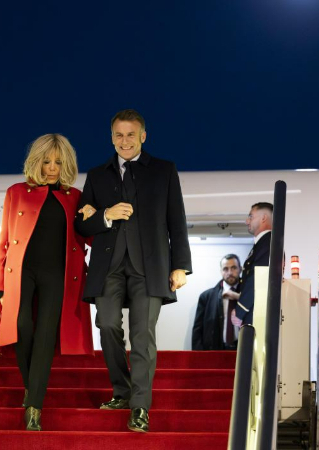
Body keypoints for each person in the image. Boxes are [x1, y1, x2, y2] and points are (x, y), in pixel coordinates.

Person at [75, 109, 192, 433]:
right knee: (107, 326)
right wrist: (106, 215)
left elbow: (176, 220)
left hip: (150, 269)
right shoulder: (96, 175)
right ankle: (122, 391)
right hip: (108, 268)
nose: (124, 141)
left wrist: (180, 266)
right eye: (118, 135)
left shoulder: (164, 170)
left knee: (142, 336)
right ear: (111, 137)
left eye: (130, 134)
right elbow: (81, 225)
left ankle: (140, 407)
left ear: (143, 136)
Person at [0, 134, 95, 431]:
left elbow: (89, 237)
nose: (52, 168)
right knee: (22, 326)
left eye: (58, 162)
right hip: (21, 271)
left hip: (58, 273)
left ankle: (34, 405)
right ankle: (32, 388)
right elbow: (4, 243)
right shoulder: (16, 192)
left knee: (46, 335)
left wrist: (97, 216)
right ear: (36, 162)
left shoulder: (75, 197)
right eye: (47, 161)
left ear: (67, 164)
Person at [232, 202, 273, 327]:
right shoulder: (262, 244)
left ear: (263, 218)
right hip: (255, 315)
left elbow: (258, 277)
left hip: (258, 316)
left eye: (251, 216)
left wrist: (240, 310)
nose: (247, 221)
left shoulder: (268, 242)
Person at [192, 254, 242, 350]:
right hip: (215, 350)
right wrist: (198, 355)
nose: (230, 272)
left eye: (234, 268)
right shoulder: (206, 297)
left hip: (244, 350)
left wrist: (239, 297)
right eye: (225, 269)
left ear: (240, 269)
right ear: (221, 271)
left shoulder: (251, 294)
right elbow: (198, 330)